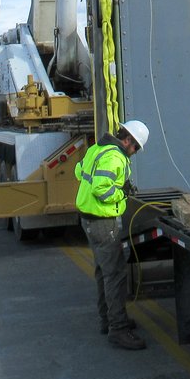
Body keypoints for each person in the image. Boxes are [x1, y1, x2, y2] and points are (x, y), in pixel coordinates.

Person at [75, 119, 150, 350]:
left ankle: (108, 320)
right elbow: (101, 189)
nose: (135, 152)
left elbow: (79, 172)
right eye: (136, 147)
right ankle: (118, 329)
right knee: (115, 275)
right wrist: (122, 193)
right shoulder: (115, 156)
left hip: (88, 220)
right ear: (128, 140)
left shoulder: (97, 149)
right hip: (103, 222)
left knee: (103, 272)